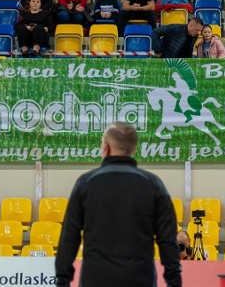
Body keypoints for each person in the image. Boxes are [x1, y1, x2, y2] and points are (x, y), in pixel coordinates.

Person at [55, 122, 181, 287]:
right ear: (133, 150)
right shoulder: (153, 184)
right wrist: (174, 281)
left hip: (95, 279)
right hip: (140, 279)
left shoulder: (85, 184)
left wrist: (62, 280)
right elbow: (167, 240)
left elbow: (69, 237)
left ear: (106, 148)